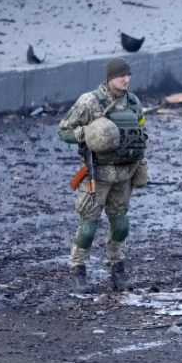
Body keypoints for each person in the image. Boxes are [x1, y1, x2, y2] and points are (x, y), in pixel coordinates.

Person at [58, 57, 148, 293]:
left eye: (128, 75)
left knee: (121, 225)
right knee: (88, 226)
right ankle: (79, 271)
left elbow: (141, 129)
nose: (126, 80)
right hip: (96, 176)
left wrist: (139, 160)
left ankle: (118, 270)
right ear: (110, 78)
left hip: (124, 174)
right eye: (121, 76)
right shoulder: (89, 101)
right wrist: (86, 134)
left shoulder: (133, 102)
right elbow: (63, 130)